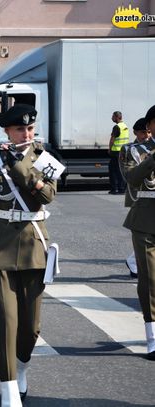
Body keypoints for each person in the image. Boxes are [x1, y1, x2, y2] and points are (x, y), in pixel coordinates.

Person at [0, 104, 57, 405]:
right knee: (5, 321)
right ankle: (9, 387)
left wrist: (16, 165)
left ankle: (22, 367)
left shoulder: (44, 158)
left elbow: (46, 195)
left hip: (33, 247)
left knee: (31, 328)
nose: (26, 134)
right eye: (19, 129)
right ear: (7, 131)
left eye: (30, 128)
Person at [121, 104, 155, 362]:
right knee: (150, 277)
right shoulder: (133, 150)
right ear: (150, 126)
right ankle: (152, 336)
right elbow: (132, 178)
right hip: (145, 218)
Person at [120, 117, 152, 278]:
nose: (145, 135)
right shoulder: (130, 149)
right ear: (135, 133)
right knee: (144, 236)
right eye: (142, 132)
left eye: (147, 132)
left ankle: (134, 260)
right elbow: (131, 177)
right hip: (140, 198)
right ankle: (133, 261)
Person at [108, 111, 129, 194]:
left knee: (113, 170)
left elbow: (112, 139)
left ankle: (114, 189)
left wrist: (109, 148)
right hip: (124, 151)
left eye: (113, 116)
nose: (111, 118)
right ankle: (122, 189)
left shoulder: (117, 127)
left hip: (116, 152)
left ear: (117, 117)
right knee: (121, 170)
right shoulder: (125, 126)